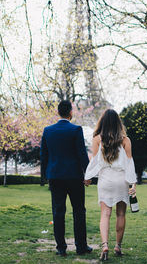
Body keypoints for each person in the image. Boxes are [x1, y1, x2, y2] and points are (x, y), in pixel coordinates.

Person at [40, 100, 92, 257]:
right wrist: (88, 174)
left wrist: (44, 176)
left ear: (58, 113)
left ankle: (61, 248)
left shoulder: (48, 131)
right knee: (79, 211)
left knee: (58, 212)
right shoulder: (76, 129)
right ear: (71, 112)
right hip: (74, 176)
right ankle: (81, 247)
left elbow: (44, 155)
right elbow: (81, 153)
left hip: (55, 177)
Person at [84, 109, 137, 261]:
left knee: (105, 214)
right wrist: (133, 184)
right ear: (118, 123)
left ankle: (105, 245)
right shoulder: (126, 140)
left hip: (105, 180)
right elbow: (129, 164)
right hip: (122, 180)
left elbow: (94, 162)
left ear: (103, 122)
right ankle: (118, 246)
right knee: (121, 214)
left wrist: (87, 177)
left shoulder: (97, 139)